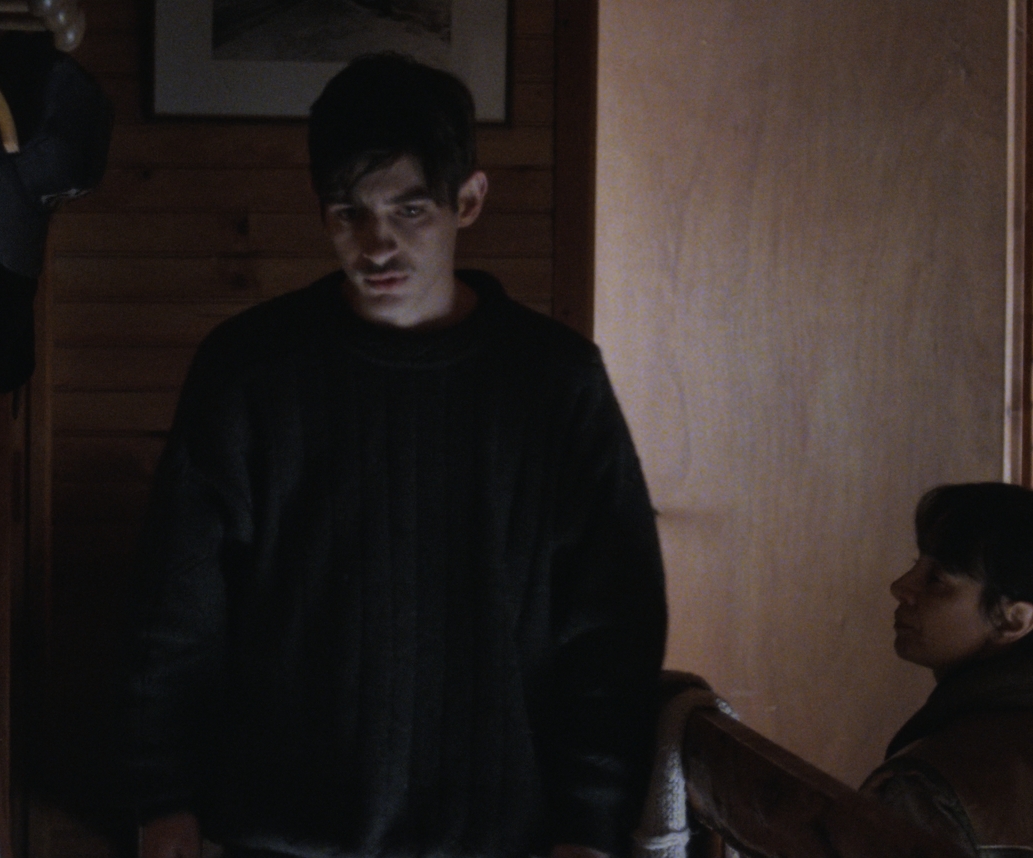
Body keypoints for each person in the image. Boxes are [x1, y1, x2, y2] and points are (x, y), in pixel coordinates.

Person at [119, 53, 668, 858]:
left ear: (467, 200)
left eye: (410, 210)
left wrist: (591, 820)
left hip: (499, 838)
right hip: (278, 833)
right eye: (350, 213)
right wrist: (162, 795)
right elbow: (176, 607)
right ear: (323, 211)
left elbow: (613, 626)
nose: (378, 244)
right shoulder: (248, 371)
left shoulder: (555, 384)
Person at [863, 483, 1033, 857]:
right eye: (916, 565)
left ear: (1013, 620)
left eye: (936, 578)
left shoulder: (925, 788)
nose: (900, 587)